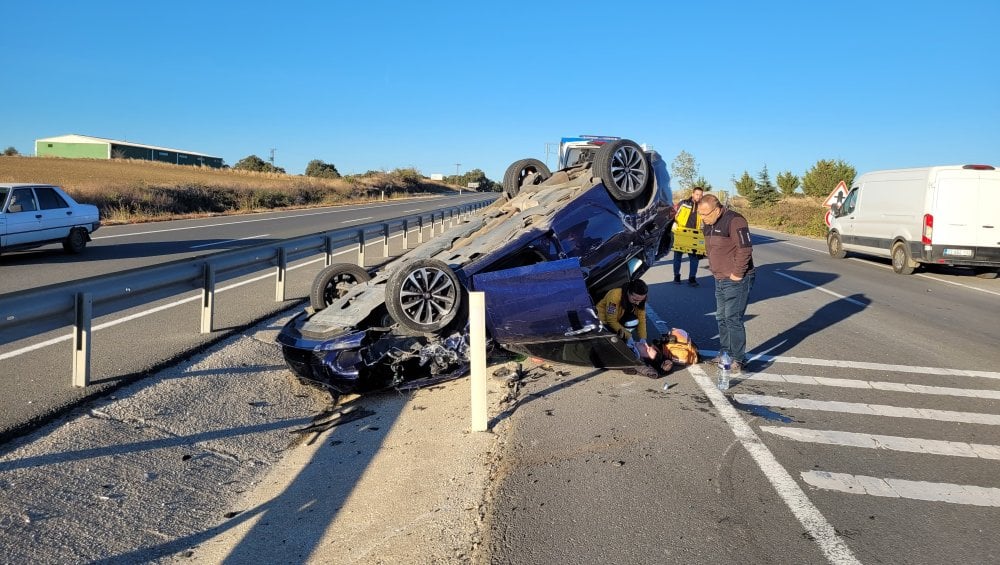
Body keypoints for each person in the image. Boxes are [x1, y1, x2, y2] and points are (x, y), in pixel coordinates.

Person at [697, 194, 755, 374]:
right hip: (719, 278)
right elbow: (711, 249)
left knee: (733, 319)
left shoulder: (735, 221)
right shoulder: (708, 223)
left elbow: (745, 249)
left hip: (737, 279)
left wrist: (737, 274)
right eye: (700, 214)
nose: (703, 218)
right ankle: (725, 353)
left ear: (717, 208)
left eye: (706, 214)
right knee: (721, 317)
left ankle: (738, 359)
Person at [596, 279, 672, 377]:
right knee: (613, 334)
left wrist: (643, 338)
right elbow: (611, 321)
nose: (637, 303)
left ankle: (625, 336)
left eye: (641, 300)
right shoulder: (614, 295)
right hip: (603, 319)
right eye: (635, 300)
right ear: (628, 293)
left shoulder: (640, 299)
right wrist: (629, 336)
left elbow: (642, 319)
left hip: (619, 318)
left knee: (633, 322)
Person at [672, 186, 704, 286]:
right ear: (693, 194)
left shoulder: (702, 207)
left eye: (701, 195)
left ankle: (692, 278)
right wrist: (674, 223)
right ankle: (676, 276)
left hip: (694, 235)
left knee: (694, 258)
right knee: (677, 256)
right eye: (697, 194)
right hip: (681, 233)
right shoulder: (684, 203)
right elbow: (673, 212)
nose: (699, 196)